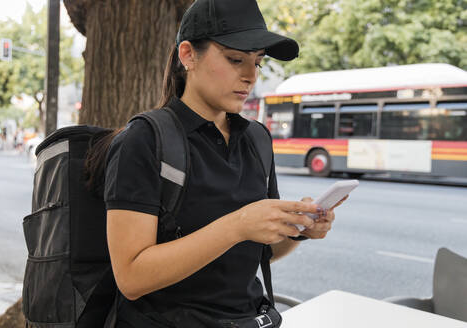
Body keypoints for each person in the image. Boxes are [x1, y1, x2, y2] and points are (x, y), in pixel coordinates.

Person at [96, 0, 346, 327]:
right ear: (188, 55)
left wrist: (298, 230)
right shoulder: (144, 140)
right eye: (235, 59)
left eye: (257, 62)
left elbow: (261, 251)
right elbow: (131, 277)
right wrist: (237, 224)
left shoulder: (256, 139)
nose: (250, 75)